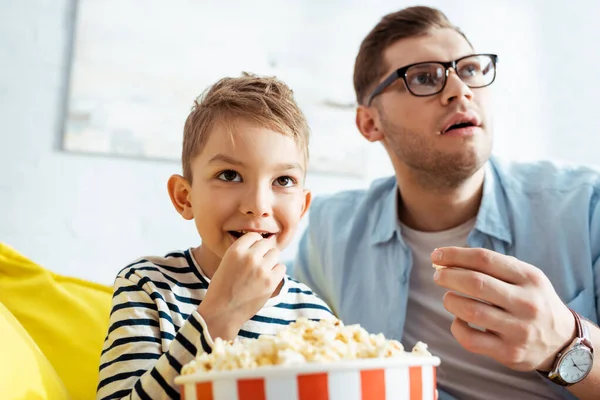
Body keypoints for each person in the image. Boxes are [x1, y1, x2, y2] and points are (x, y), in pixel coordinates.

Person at [293, 6, 600, 400]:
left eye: (470, 70)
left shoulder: (585, 207)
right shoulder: (329, 233)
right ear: (370, 123)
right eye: (424, 78)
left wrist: (564, 343)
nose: (460, 90)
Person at [96, 73, 335, 399]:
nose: (258, 206)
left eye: (283, 180)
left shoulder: (317, 320)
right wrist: (221, 315)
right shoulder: (149, 288)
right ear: (185, 197)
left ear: (303, 206)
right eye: (230, 175)